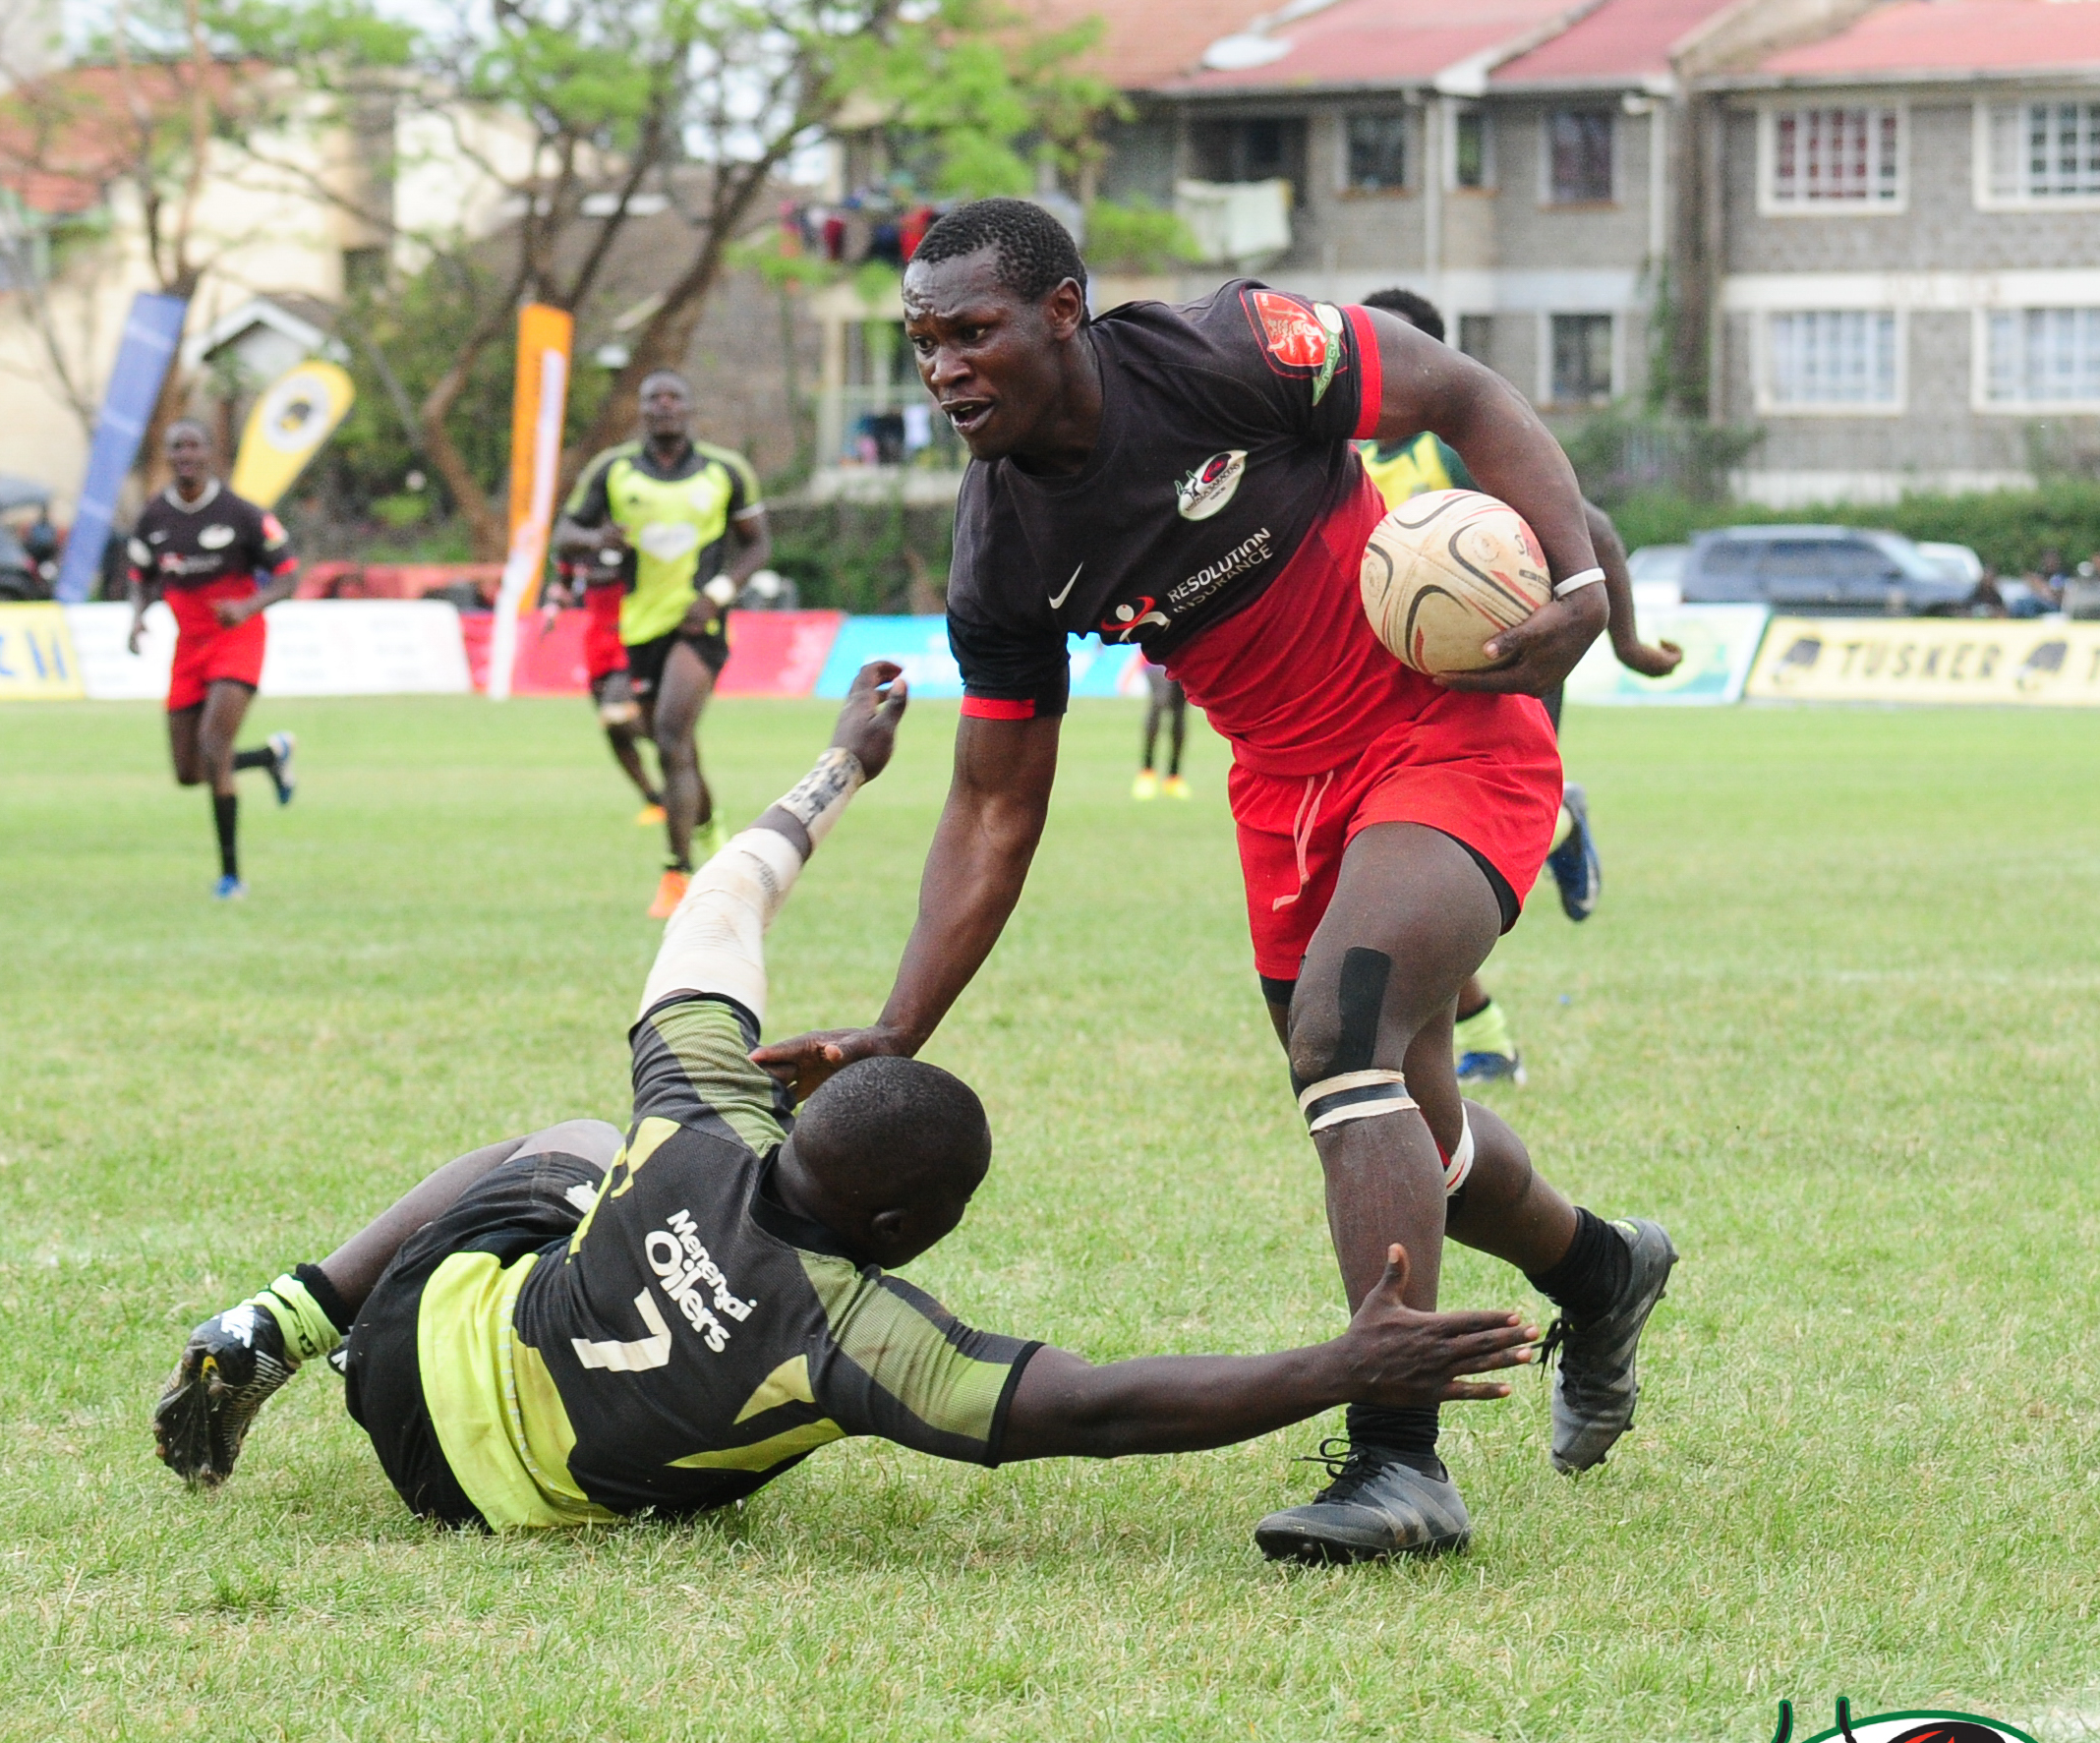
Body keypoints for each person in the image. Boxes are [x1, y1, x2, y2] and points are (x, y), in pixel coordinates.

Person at [751, 200, 1679, 1565]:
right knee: (1411, 1137)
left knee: (1341, 1045)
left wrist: (1585, 585)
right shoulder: (1002, 548)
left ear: (1060, 311)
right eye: (923, 342)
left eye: (971, 333)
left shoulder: (1230, 349)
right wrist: (901, 1026)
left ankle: (1396, 1463)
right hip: (1284, 801)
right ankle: (1600, 1269)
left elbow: (1467, 394)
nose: (943, 368)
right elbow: (997, 802)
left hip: (1443, 731)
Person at [150, 664, 1539, 1535]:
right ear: (902, 1223)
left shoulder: (704, 1106)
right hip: (481, 1502)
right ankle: (300, 1332)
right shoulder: (856, 1333)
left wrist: (841, 770)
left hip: (404, 1358)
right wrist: (1342, 1371)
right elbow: (1100, 1408)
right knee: (585, 1171)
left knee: (576, 1150)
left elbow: (723, 902)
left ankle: (280, 1322)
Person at [1354, 287, 1683, 1085]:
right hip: (1401, 685)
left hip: (1510, 672)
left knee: (1444, 870)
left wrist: (1628, 642)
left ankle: (1552, 833)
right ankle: (1490, 1035)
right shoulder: (1341, 454)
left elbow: (1592, 529)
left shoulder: (1459, 446)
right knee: (1392, 877)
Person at [553, 371, 773, 919]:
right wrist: (595, 539)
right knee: (668, 742)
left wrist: (717, 594)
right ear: (643, 410)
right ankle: (706, 821)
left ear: (690, 407)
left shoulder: (726, 471)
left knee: (673, 731)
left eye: (674, 396)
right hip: (639, 625)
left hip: (699, 625)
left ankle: (677, 874)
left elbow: (757, 545)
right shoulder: (613, 470)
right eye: (654, 398)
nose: (664, 406)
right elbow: (564, 535)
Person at [126, 419, 301, 900]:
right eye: (176, 447)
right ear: (166, 455)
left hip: (236, 637)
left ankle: (231, 877)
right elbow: (140, 577)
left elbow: (289, 577)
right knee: (188, 771)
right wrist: (137, 618)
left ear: (210, 453)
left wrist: (246, 607)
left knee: (214, 743)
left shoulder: (241, 513)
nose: (185, 455)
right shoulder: (153, 517)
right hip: (189, 646)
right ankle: (270, 756)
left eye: (194, 446)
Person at [565, 547, 667, 825]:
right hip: (597, 648)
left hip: (629, 638)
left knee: (615, 716)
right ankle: (654, 800)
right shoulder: (582, 544)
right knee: (615, 734)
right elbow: (564, 568)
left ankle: (673, 743)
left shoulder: (634, 542)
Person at [1132, 660, 1189, 800]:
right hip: (1153, 655)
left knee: (1179, 710)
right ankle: (1147, 772)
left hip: (1181, 655)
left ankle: (1173, 777)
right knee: (1159, 700)